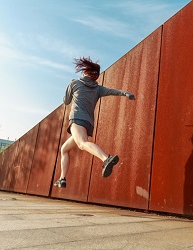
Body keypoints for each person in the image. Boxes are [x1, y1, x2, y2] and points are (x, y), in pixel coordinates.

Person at [54, 57, 135, 188]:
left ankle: (105, 158)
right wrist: (125, 93)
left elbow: (67, 101)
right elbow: (112, 91)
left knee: (82, 144)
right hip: (88, 123)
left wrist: (65, 96)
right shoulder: (98, 89)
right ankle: (62, 179)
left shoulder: (74, 83)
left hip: (77, 119)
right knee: (64, 149)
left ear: (85, 72)